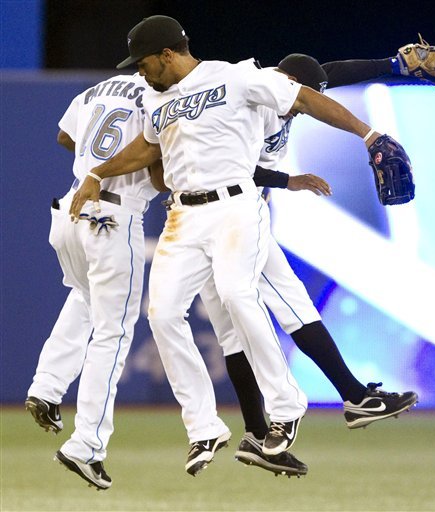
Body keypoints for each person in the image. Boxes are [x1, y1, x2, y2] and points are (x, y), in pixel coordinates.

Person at [69, 15, 410, 477]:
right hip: (183, 217)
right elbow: (147, 149)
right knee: (163, 315)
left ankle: (287, 407)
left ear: (167, 54)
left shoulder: (234, 76)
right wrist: (96, 173)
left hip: (235, 207)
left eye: (143, 62)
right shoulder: (155, 97)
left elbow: (307, 91)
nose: (140, 71)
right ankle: (207, 427)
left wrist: (370, 132)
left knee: (239, 295)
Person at [25, 72, 163, 491]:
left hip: (70, 209)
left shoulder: (98, 88)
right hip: (112, 213)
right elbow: (157, 166)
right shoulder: (162, 95)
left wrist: (91, 164)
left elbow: (64, 135)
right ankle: (86, 445)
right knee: (113, 333)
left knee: (85, 298)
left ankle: (46, 387)